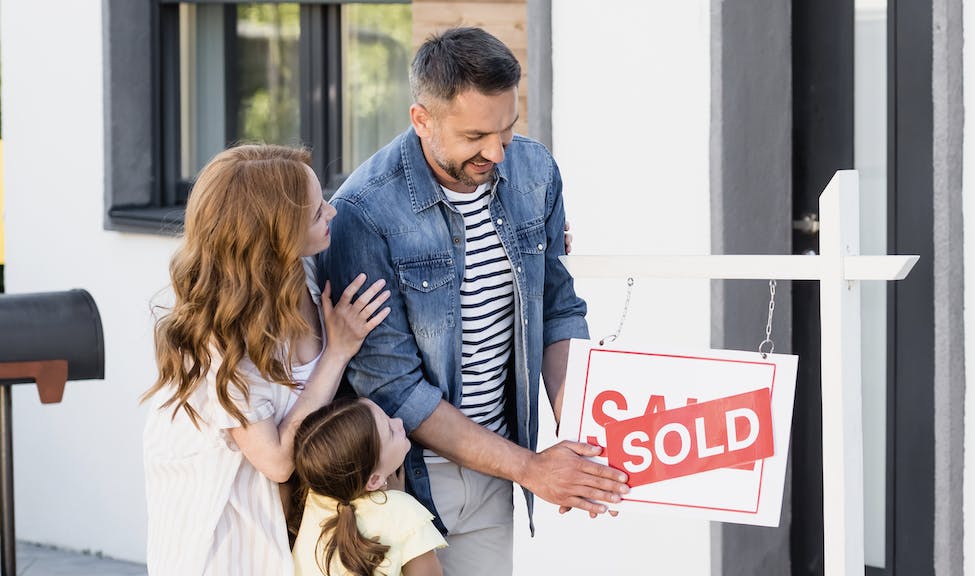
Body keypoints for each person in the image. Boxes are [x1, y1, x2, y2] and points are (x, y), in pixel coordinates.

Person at [317, 27, 629, 575]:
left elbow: (557, 309)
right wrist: (533, 468)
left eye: (507, 128)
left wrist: (580, 440)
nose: (497, 152)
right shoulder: (363, 213)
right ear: (422, 120)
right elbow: (395, 388)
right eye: (476, 135)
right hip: (401, 478)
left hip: (497, 468)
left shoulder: (535, 171)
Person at [142, 144, 390, 575]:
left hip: (289, 528)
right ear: (274, 236)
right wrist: (336, 353)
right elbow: (275, 460)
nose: (332, 213)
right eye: (316, 212)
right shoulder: (221, 339)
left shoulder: (304, 272)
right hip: (226, 541)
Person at [292, 398, 446, 576]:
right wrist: (397, 502)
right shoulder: (403, 511)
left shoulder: (315, 497)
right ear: (374, 480)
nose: (398, 422)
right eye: (390, 432)